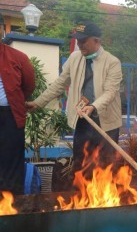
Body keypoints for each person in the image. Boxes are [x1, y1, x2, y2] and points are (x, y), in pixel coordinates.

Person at [26, 22, 122, 187]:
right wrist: (38, 102)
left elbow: (110, 92)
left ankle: (105, 202)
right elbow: (60, 83)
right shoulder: (74, 58)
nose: (79, 44)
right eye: (78, 40)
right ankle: (81, 199)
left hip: (105, 122)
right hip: (82, 120)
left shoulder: (112, 62)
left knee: (106, 165)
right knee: (81, 164)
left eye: (84, 41)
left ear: (97, 40)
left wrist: (93, 106)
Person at [0, 39, 35, 194]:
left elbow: (29, 85)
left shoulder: (18, 57)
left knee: (12, 159)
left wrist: (15, 100)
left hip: (10, 115)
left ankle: (13, 205)